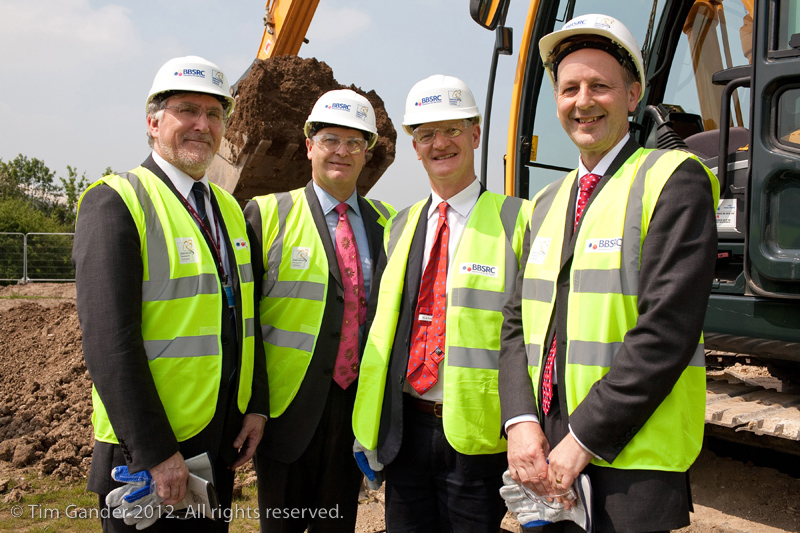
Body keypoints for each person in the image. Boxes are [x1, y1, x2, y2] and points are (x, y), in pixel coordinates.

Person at [498, 14, 720, 532]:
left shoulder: (674, 179)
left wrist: (584, 439)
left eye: (600, 86)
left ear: (633, 93)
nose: (583, 101)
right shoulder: (547, 202)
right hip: (546, 448)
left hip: (630, 456)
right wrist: (520, 421)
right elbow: (515, 322)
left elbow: (667, 330)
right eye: (569, 88)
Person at [73, 55, 268, 532]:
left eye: (215, 114)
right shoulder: (116, 201)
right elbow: (109, 346)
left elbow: (242, 315)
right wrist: (158, 453)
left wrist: (255, 405)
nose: (203, 125)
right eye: (188, 110)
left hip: (215, 443)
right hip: (147, 458)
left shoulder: (226, 207)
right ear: (153, 121)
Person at [352, 75, 530, 533]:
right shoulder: (400, 225)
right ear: (414, 146)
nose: (440, 143)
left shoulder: (519, 220)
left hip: (478, 435)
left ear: (475, 134)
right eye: (426, 134)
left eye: (452, 129)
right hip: (406, 429)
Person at [244, 89, 395, 533]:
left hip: (355, 415)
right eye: (331, 139)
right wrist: (252, 405)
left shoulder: (388, 222)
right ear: (309, 145)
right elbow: (244, 324)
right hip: (286, 414)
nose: (342, 152)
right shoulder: (268, 214)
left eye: (355, 143)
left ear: (366, 154)